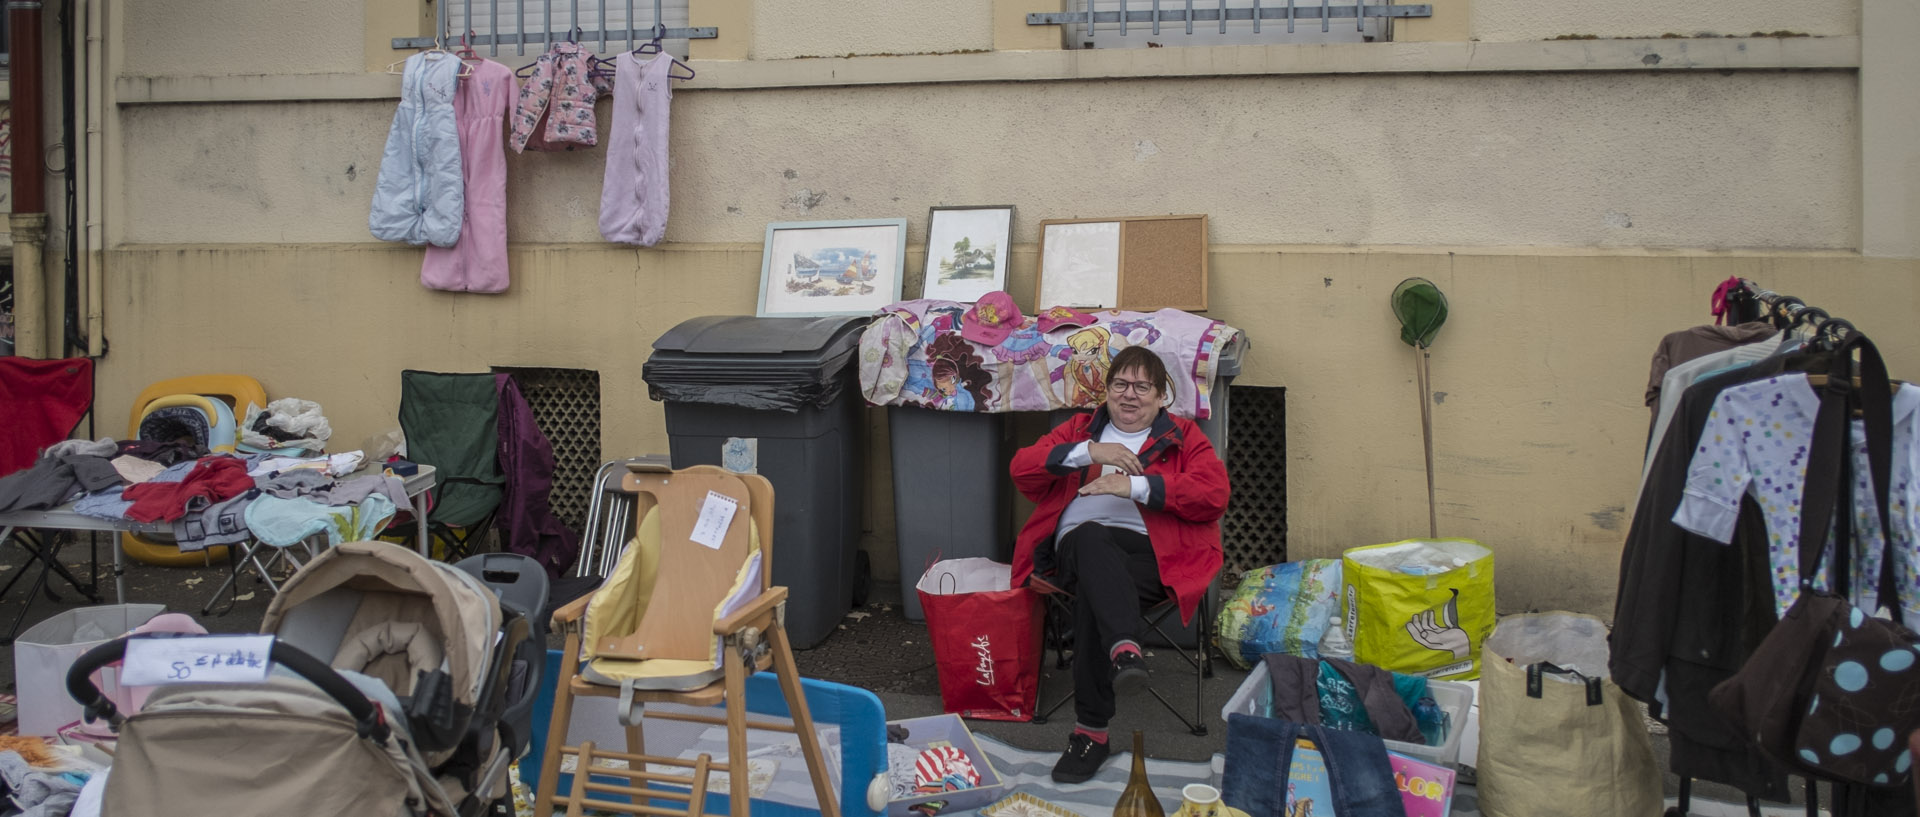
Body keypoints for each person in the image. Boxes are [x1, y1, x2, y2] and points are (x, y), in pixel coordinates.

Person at [1009, 344, 1230, 784]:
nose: (1130, 395)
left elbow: (1213, 495)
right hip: (1078, 548)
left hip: (1154, 559)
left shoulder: (1184, 436)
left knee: (1098, 592)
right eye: (1120, 385)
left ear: (1161, 394)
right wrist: (1090, 453)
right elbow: (1022, 468)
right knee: (1092, 542)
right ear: (1106, 391)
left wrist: (1135, 487)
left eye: (1142, 386)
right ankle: (1124, 648)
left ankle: (1092, 731)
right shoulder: (1080, 430)